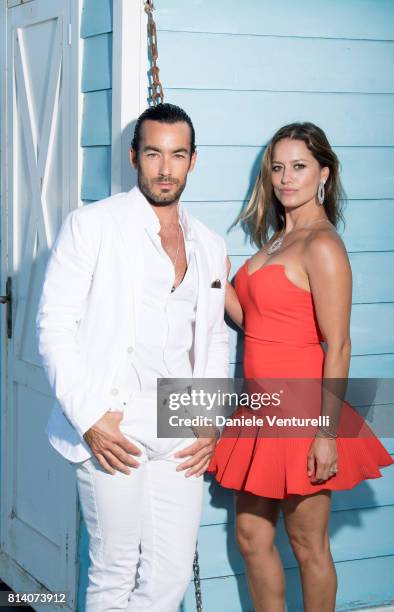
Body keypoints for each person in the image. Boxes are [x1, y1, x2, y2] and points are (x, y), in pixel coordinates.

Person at [36, 103, 229, 611]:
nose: (165, 169)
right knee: (115, 568)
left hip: (180, 413)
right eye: (153, 154)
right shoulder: (92, 225)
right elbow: (54, 326)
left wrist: (207, 420)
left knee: (168, 574)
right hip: (112, 416)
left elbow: (215, 335)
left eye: (177, 155)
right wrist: (90, 416)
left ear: (193, 161)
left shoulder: (209, 245)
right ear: (133, 157)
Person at [207, 122, 394, 612]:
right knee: (250, 535)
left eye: (299, 167)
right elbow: (255, 321)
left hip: (304, 411)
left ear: (324, 174)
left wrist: (326, 433)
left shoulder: (323, 245)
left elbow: (340, 345)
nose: (286, 178)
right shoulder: (274, 241)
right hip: (261, 409)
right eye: (278, 168)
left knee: (308, 545)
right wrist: (209, 274)